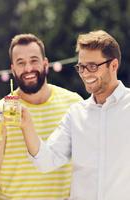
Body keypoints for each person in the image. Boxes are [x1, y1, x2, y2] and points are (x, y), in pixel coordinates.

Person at [22, 30, 130, 200]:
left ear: (114, 65)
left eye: (93, 66)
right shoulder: (76, 113)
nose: (85, 74)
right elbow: (46, 161)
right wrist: (27, 125)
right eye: (81, 67)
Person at [0, 33, 82, 199]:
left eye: (34, 60)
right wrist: (1, 130)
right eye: (21, 63)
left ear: (45, 64)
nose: (28, 68)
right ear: (13, 69)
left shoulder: (73, 103)